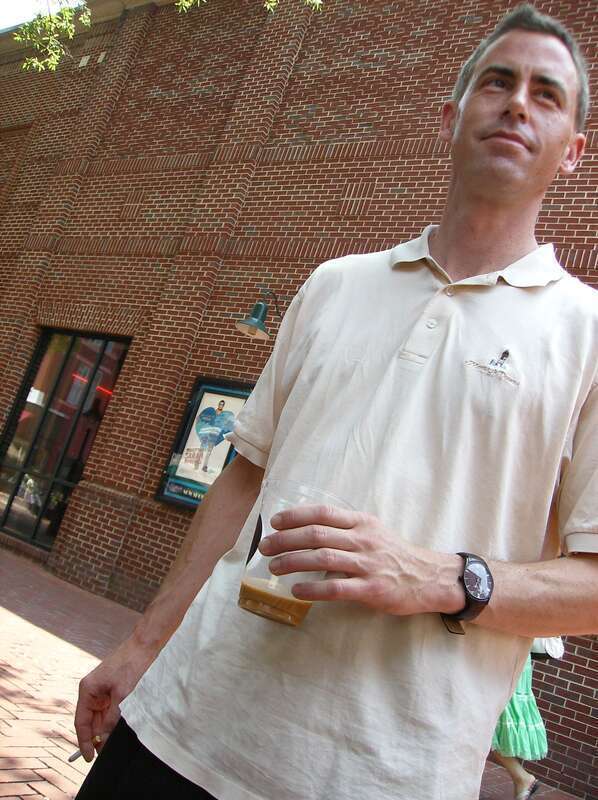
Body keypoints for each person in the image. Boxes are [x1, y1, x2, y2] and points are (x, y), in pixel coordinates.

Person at [73, 5, 598, 799]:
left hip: (379, 774)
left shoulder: (587, 335)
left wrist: (442, 576)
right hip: (182, 725)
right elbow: (245, 477)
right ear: (452, 117)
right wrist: (144, 644)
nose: (518, 103)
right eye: (498, 81)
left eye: (546, 94)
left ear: (573, 153)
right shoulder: (334, 284)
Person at [489, 652, 547, 800]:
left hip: (503, 663)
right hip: (507, 661)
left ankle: (522, 778)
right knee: (491, 728)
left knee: (489, 728)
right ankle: (521, 779)